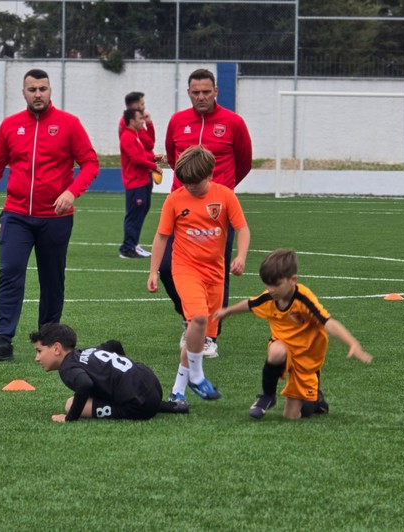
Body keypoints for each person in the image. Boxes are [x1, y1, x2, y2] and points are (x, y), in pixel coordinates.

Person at [0, 68, 99, 362]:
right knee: (10, 273)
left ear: (50, 91)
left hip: (56, 218)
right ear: (23, 92)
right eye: (32, 89)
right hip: (16, 215)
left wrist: (72, 192)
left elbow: (90, 163)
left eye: (43, 89)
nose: (38, 94)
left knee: (52, 279)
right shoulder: (11, 126)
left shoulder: (69, 124)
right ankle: (1, 340)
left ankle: (48, 340)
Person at [213, 249, 373, 421]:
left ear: (293, 280)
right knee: (276, 351)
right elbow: (250, 304)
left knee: (292, 416)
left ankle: (316, 400)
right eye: (267, 284)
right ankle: (267, 396)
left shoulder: (304, 299)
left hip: (306, 356)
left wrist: (352, 343)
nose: (271, 289)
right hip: (283, 346)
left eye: (276, 284)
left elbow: (328, 323)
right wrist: (228, 311)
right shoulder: (269, 297)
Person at [160, 68, 253, 357]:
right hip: (182, 209)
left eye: (206, 92)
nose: (201, 97)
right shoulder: (177, 121)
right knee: (166, 268)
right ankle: (190, 318)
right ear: (188, 93)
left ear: (216, 92)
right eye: (195, 92)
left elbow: (245, 162)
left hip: (216, 213)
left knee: (216, 274)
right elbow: (174, 159)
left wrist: (221, 192)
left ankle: (209, 335)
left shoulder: (233, 123)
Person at [147, 145, 250, 406]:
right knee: (199, 318)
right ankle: (197, 376)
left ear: (210, 174)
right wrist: (153, 271)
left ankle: (177, 393)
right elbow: (161, 237)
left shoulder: (225, 197)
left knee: (198, 335)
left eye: (195, 183)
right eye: (186, 183)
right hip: (185, 269)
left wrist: (240, 256)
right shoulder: (175, 200)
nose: (190, 187)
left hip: (215, 274)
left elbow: (242, 229)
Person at [30, 322, 189, 422]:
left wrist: (70, 417)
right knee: (104, 389)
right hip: (151, 383)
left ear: (57, 348)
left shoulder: (67, 368)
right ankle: (170, 406)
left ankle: (141, 404)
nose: (37, 358)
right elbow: (114, 344)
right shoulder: (86, 352)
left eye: (39, 351)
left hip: (140, 407)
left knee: (70, 404)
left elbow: (84, 384)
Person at [118, 108, 161, 259]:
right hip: (135, 183)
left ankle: (133, 245)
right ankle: (127, 248)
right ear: (131, 121)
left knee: (140, 213)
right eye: (140, 119)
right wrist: (154, 166)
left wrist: (154, 158)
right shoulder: (127, 137)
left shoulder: (135, 136)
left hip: (142, 181)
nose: (142, 121)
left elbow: (144, 154)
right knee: (134, 216)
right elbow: (136, 159)